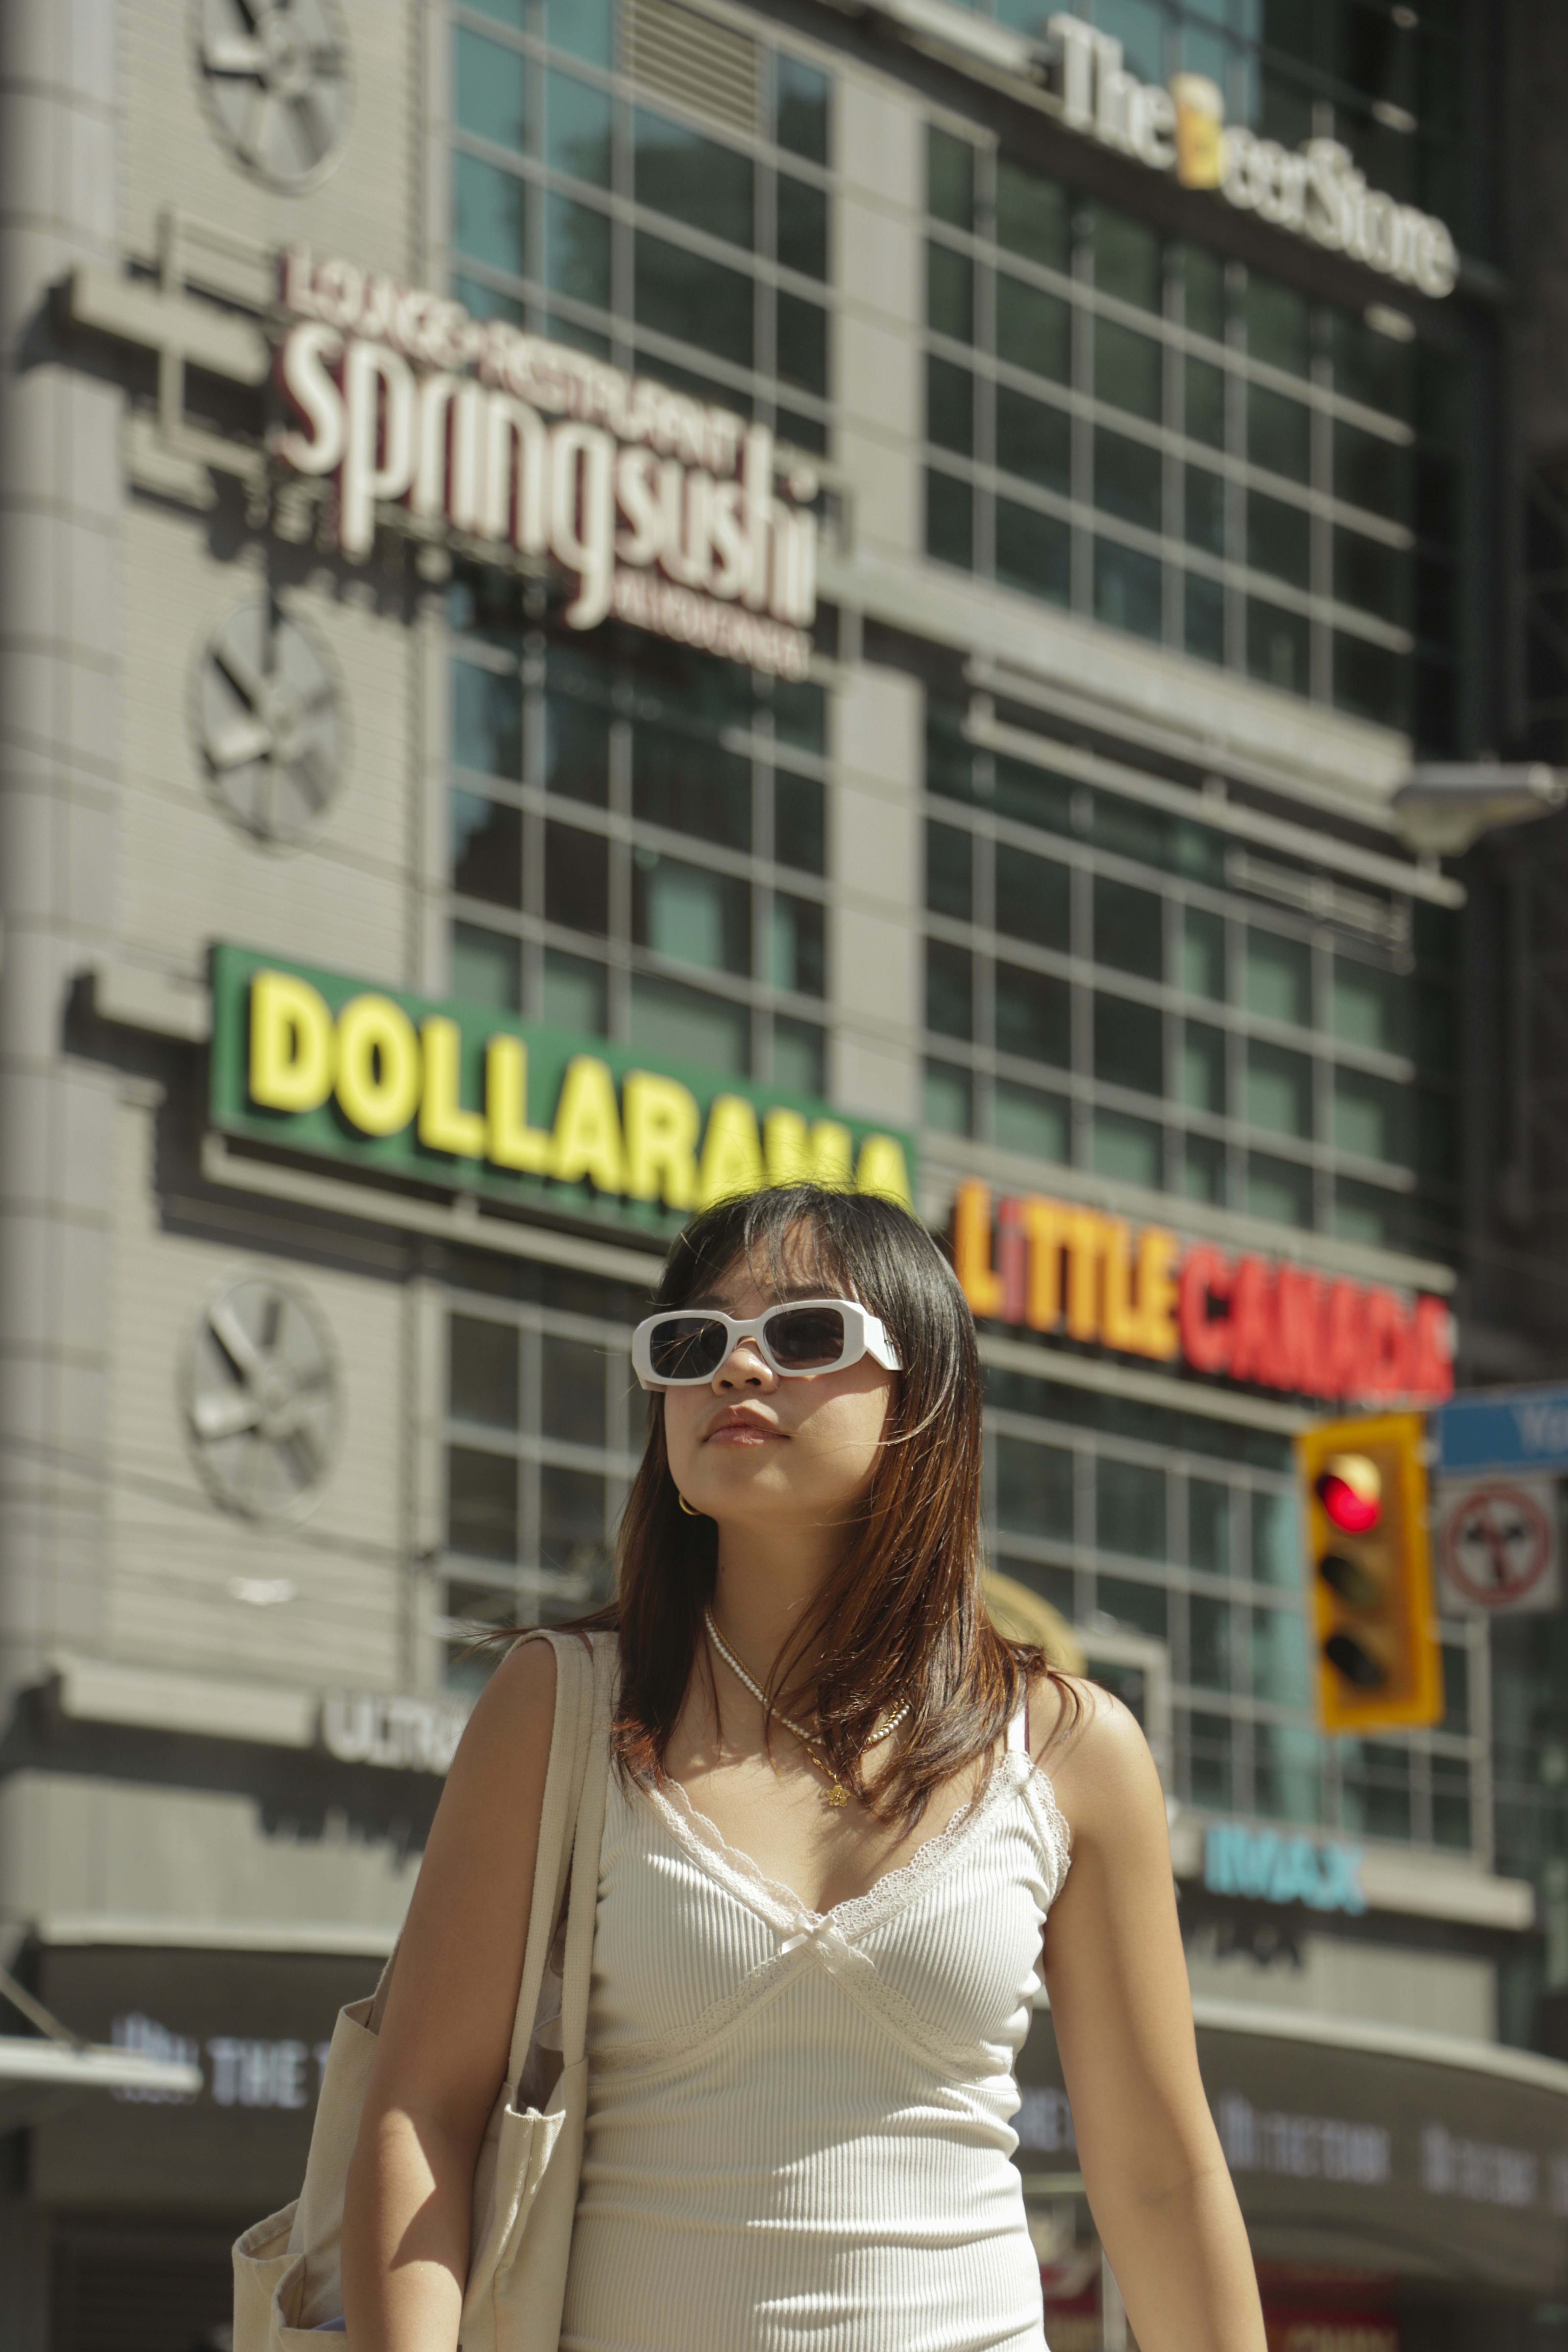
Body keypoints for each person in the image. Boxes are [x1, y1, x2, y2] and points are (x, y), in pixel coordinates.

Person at [342, 1183, 1267, 2352]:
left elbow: (1160, 2181)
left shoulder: (1074, 1748)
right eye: (694, 1343)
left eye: (803, 1333)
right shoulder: (559, 1706)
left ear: (924, 1393)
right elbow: (422, 2113)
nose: (736, 1370)